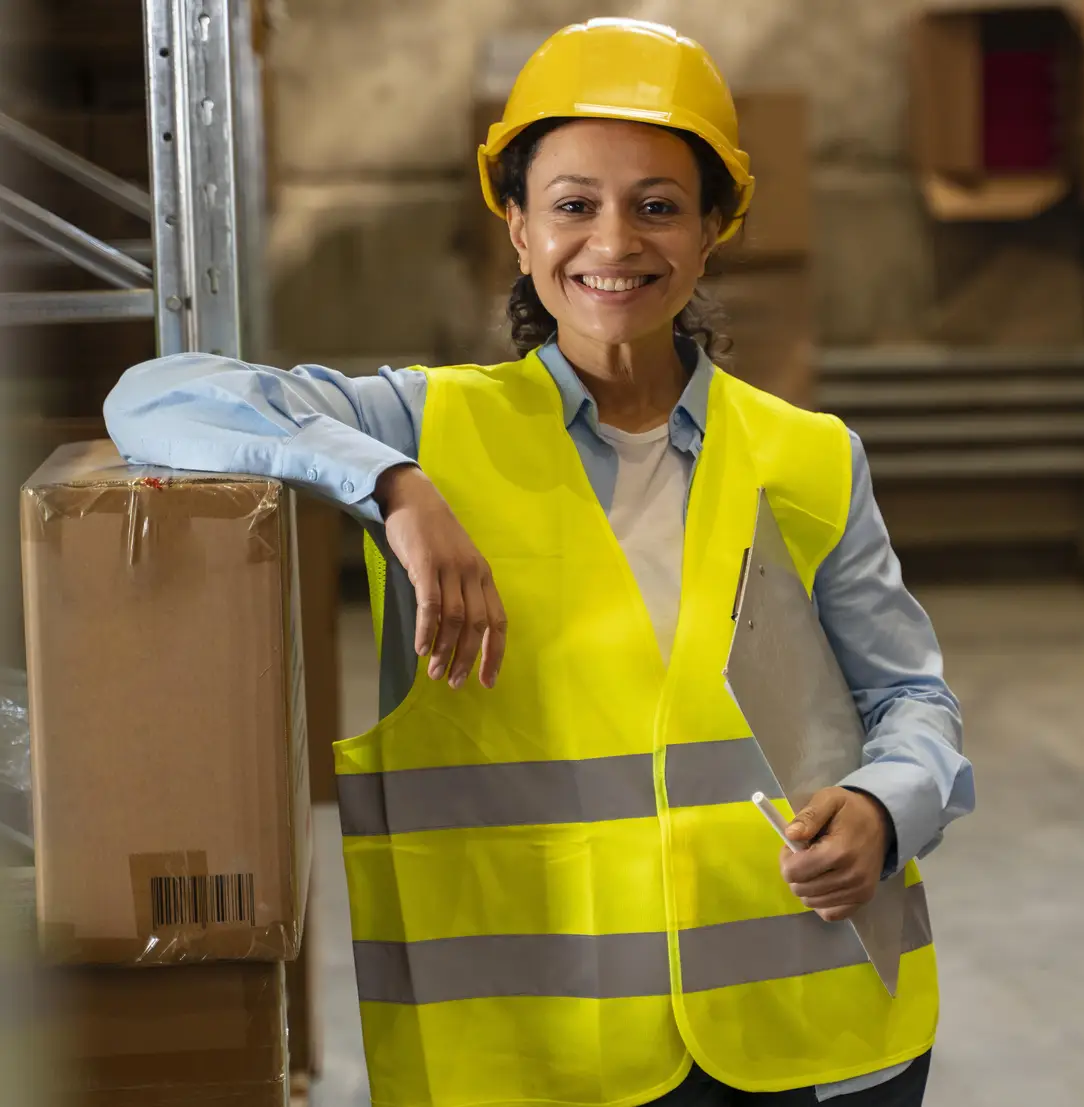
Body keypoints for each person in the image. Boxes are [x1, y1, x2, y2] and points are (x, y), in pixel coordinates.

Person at [104, 18, 974, 1107]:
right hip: (535, 1056)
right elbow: (156, 397)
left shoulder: (809, 458)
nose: (613, 242)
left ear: (713, 231)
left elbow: (912, 701)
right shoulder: (427, 429)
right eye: (573, 205)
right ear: (517, 229)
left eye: (659, 205)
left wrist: (887, 807)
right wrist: (391, 486)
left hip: (812, 1026)